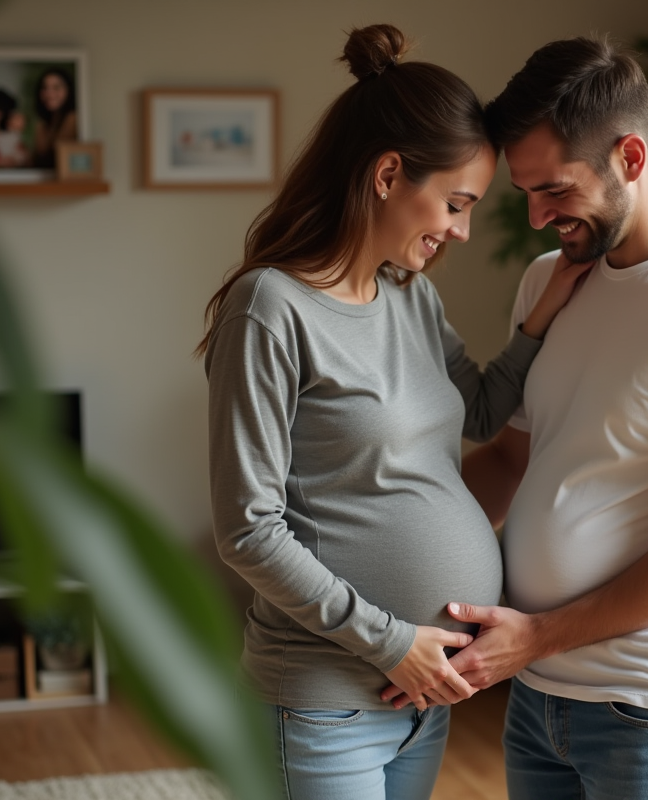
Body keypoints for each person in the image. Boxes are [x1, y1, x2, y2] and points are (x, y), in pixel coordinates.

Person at [380, 34, 648, 799]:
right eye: (526, 192)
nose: (539, 216)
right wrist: (382, 554)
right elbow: (512, 460)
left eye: (556, 191)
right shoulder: (552, 280)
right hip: (540, 695)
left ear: (630, 157)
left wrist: (535, 636)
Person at [196, 24, 589, 800]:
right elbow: (246, 527)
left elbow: (481, 410)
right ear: (386, 174)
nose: (461, 231)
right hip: (323, 698)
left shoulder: (410, 296)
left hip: (419, 697)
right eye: (455, 203)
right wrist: (390, 643)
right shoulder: (269, 309)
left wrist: (541, 318)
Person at [31, 67, 77, 168]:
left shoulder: (73, 118)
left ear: (69, 90)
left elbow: (56, 156)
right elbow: (37, 158)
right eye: (45, 88)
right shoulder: (44, 122)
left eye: (56, 87)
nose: (49, 93)